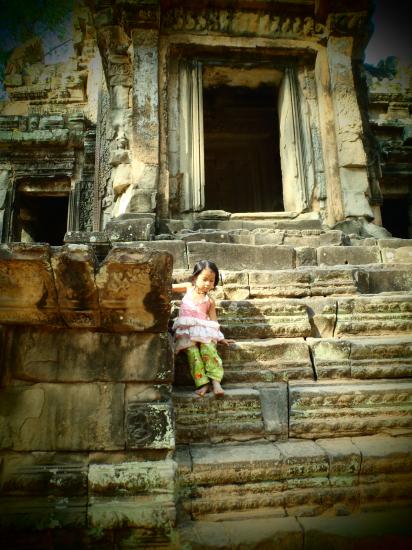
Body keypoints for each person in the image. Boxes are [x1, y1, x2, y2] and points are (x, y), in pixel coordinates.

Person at [172, 260, 234, 397]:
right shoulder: (188, 288)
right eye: (204, 279)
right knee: (192, 353)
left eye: (211, 281)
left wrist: (221, 337)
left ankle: (215, 381)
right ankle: (203, 383)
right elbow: (168, 287)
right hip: (186, 332)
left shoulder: (210, 301)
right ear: (195, 278)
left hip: (203, 331)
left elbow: (213, 321)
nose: (208, 283)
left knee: (209, 350)